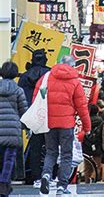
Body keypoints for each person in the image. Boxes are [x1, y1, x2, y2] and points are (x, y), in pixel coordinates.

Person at [35, 55, 91, 196]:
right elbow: (82, 106)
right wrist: (87, 126)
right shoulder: (75, 81)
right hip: (67, 124)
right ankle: (61, 187)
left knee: (51, 152)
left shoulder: (47, 77)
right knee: (66, 155)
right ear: (72, 66)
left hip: (49, 122)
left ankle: (46, 175)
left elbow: (36, 98)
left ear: (59, 63)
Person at [18, 49, 50, 186]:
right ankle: (49, 174)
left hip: (31, 115)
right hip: (47, 114)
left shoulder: (24, 77)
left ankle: (34, 176)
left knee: (35, 147)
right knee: (51, 147)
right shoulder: (50, 75)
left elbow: (21, 98)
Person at [0, 62, 28, 197]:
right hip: (12, 130)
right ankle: (4, 185)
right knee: (9, 159)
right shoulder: (18, 90)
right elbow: (24, 111)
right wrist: (27, 127)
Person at [82, 105, 104, 182]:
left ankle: (87, 181)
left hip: (86, 146)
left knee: (87, 167)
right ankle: (93, 178)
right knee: (97, 165)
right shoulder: (101, 121)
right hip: (97, 145)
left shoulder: (84, 121)